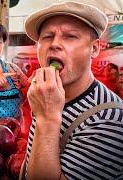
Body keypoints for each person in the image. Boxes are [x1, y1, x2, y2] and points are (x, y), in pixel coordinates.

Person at [22, 1, 123, 179]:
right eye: (47, 36)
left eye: (70, 36)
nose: (54, 44)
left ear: (95, 48)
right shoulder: (46, 97)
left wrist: (47, 119)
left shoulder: (109, 119)